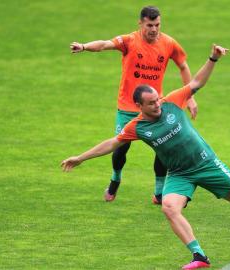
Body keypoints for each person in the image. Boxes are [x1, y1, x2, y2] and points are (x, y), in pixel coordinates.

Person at [61, 45, 230, 269]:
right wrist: (81, 158)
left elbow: (197, 82)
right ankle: (199, 256)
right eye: (150, 103)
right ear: (139, 106)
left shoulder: (172, 102)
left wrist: (213, 58)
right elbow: (112, 143)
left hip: (206, 163)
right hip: (180, 174)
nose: (157, 104)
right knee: (169, 208)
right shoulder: (137, 127)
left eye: (157, 99)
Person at [70, 6, 196, 204]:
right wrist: (84, 46)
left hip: (155, 108)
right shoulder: (129, 41)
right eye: (149, 25)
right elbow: (104, 44)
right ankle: (115, 178)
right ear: (140, 23)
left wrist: (190, 98)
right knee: (120, 148)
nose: (154, 29)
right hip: (128, 108)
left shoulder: (169, 43)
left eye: (157, 25)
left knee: (162, 147)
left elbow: (183, 65)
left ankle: (159, 192)